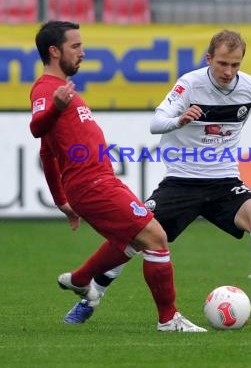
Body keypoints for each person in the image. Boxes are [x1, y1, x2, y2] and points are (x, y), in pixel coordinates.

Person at [62, 29, 251, 324]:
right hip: (182, 182)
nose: (228, 71)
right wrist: (180, 119)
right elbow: (156, 123)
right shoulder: (189, 85)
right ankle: (90, 298)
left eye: (235, 65)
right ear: (208, 58)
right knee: (134, 238)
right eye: (223, 63)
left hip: (224, 181)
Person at [30, 20, 206, 332]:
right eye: (76, 46)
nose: (83, 52)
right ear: (55, 52)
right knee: (156, 237)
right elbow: (36, 129)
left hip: (97, 182)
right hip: (92, 184)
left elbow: (47, 152)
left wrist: (62, 203)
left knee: (132, 240)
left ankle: (81, 279)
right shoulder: (46, 90)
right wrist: (56, 108)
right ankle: (168, 319)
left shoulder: (64, 92)